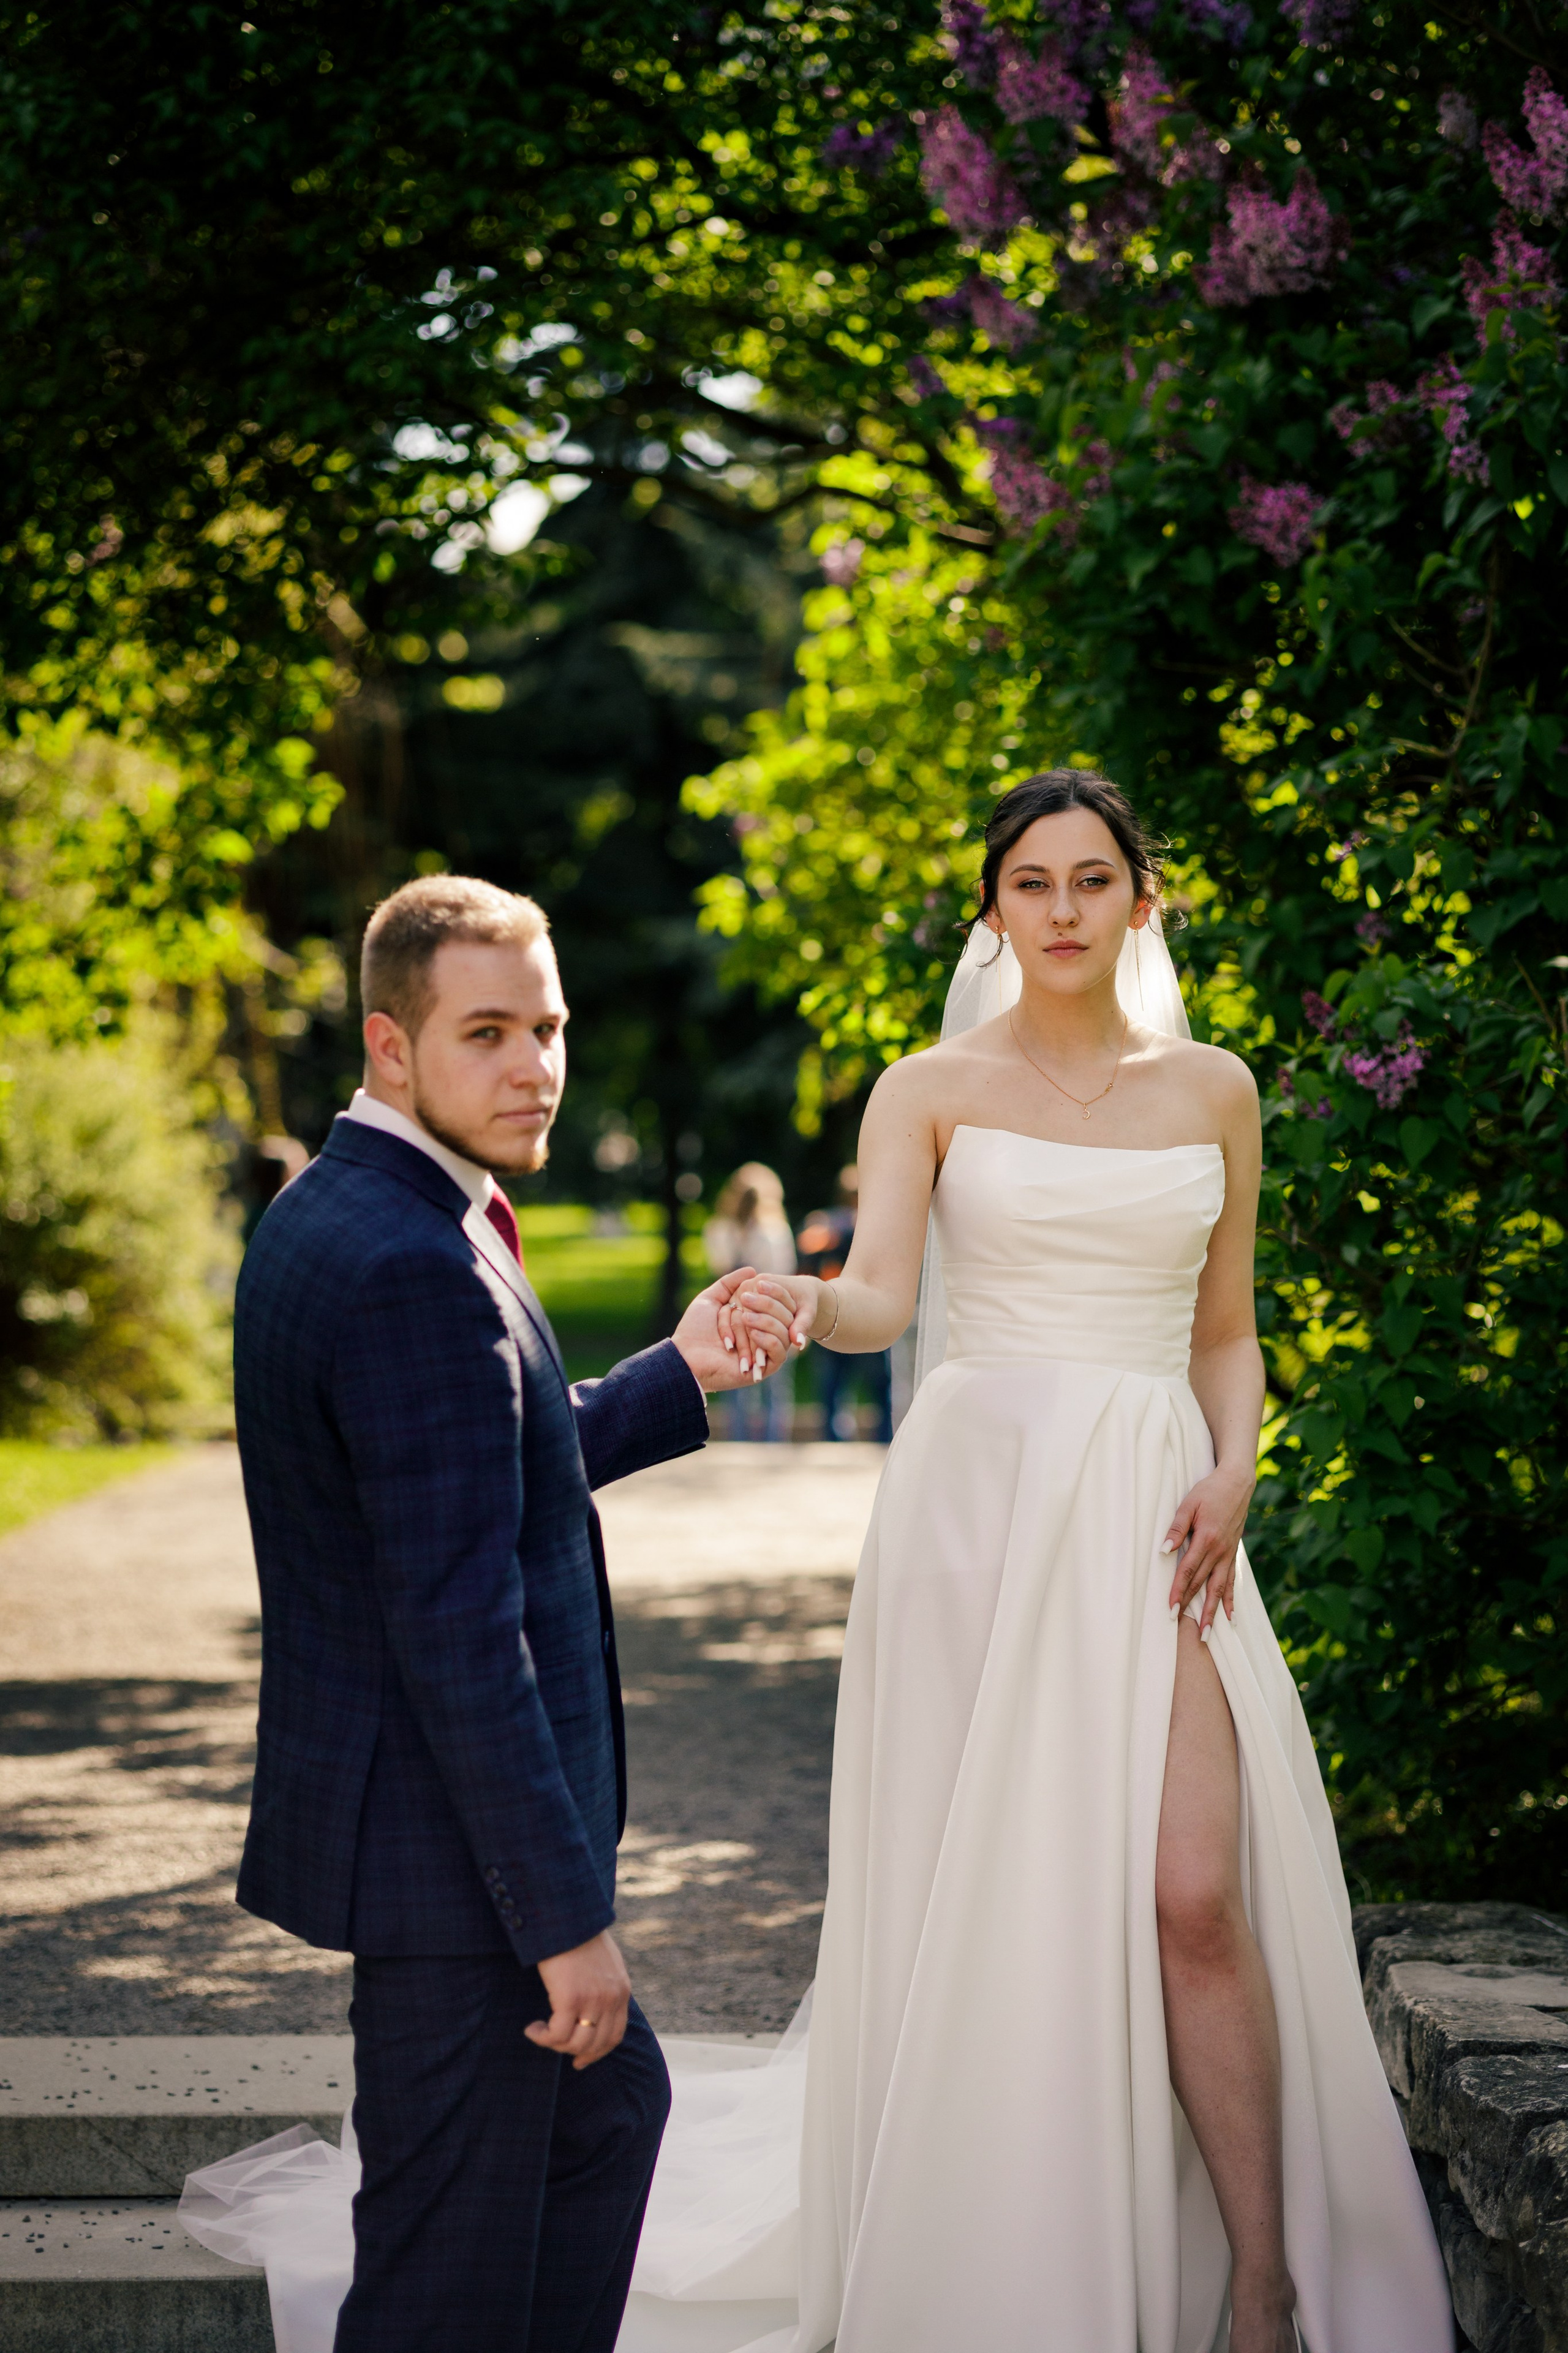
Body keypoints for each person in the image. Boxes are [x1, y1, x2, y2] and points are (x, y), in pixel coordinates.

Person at [627, 772, 1452, 2353]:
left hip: (1157, 1512)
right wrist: (798, 1306)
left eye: (1092, 879)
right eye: (1032, 882)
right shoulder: (926, 1086)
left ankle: (1262, 2284)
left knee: (1193, 1894)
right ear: (992, 910)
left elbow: (1227, 1331)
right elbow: (881, 1298)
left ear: (1145, 898)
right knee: (991, 1894)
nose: (1063, 909)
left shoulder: (1215, 1088)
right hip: (978, 1513)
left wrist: (1240, 1467)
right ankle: (1006, 2258)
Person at [202, 875, 793, 2353]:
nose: (534, 1064)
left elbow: (474, 1462)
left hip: (430, 1833)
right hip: (454, 1860)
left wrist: (676, 1370)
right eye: (488, 1032)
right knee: (437, 2275)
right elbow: (460, 1625)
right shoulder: (413, 1265)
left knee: (608, 2120)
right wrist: (566, 1920)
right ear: (392, 1045)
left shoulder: (350, 1204)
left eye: (547, 1026)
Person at [794, 1169, 892, 1445]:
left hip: (831, 1307)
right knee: (877, 1383)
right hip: (866, 1311)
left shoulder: (823, 1224)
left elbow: (805, 1259)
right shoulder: (871, 1225)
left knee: (834, 1382)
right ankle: (883, 1435)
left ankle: (834, 1436)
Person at [704, 1163, 797, 1441]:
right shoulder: (775, 1232)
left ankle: (740, 1440)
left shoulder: (719, 1230)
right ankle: (773, 1441)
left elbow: (718, 1268)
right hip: (770, 1312)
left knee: (738, 1378)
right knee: (776, 1384)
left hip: (733, 1313)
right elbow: (785, 1272)